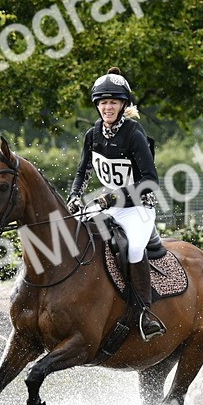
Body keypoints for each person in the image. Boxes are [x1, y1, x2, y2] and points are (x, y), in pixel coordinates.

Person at [66, 67, 166, 341]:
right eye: (103, 102)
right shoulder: (93, 134)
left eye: (113, 102)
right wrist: (74, 196)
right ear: (97, 105)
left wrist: (112, 197)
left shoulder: (134, 134)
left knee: (133, 248)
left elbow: (150, 181)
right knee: (76, 234)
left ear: (123, 105)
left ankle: (145, 313)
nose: (107, 107)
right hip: (109, 205)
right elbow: (83, 171)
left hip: (138, 208)